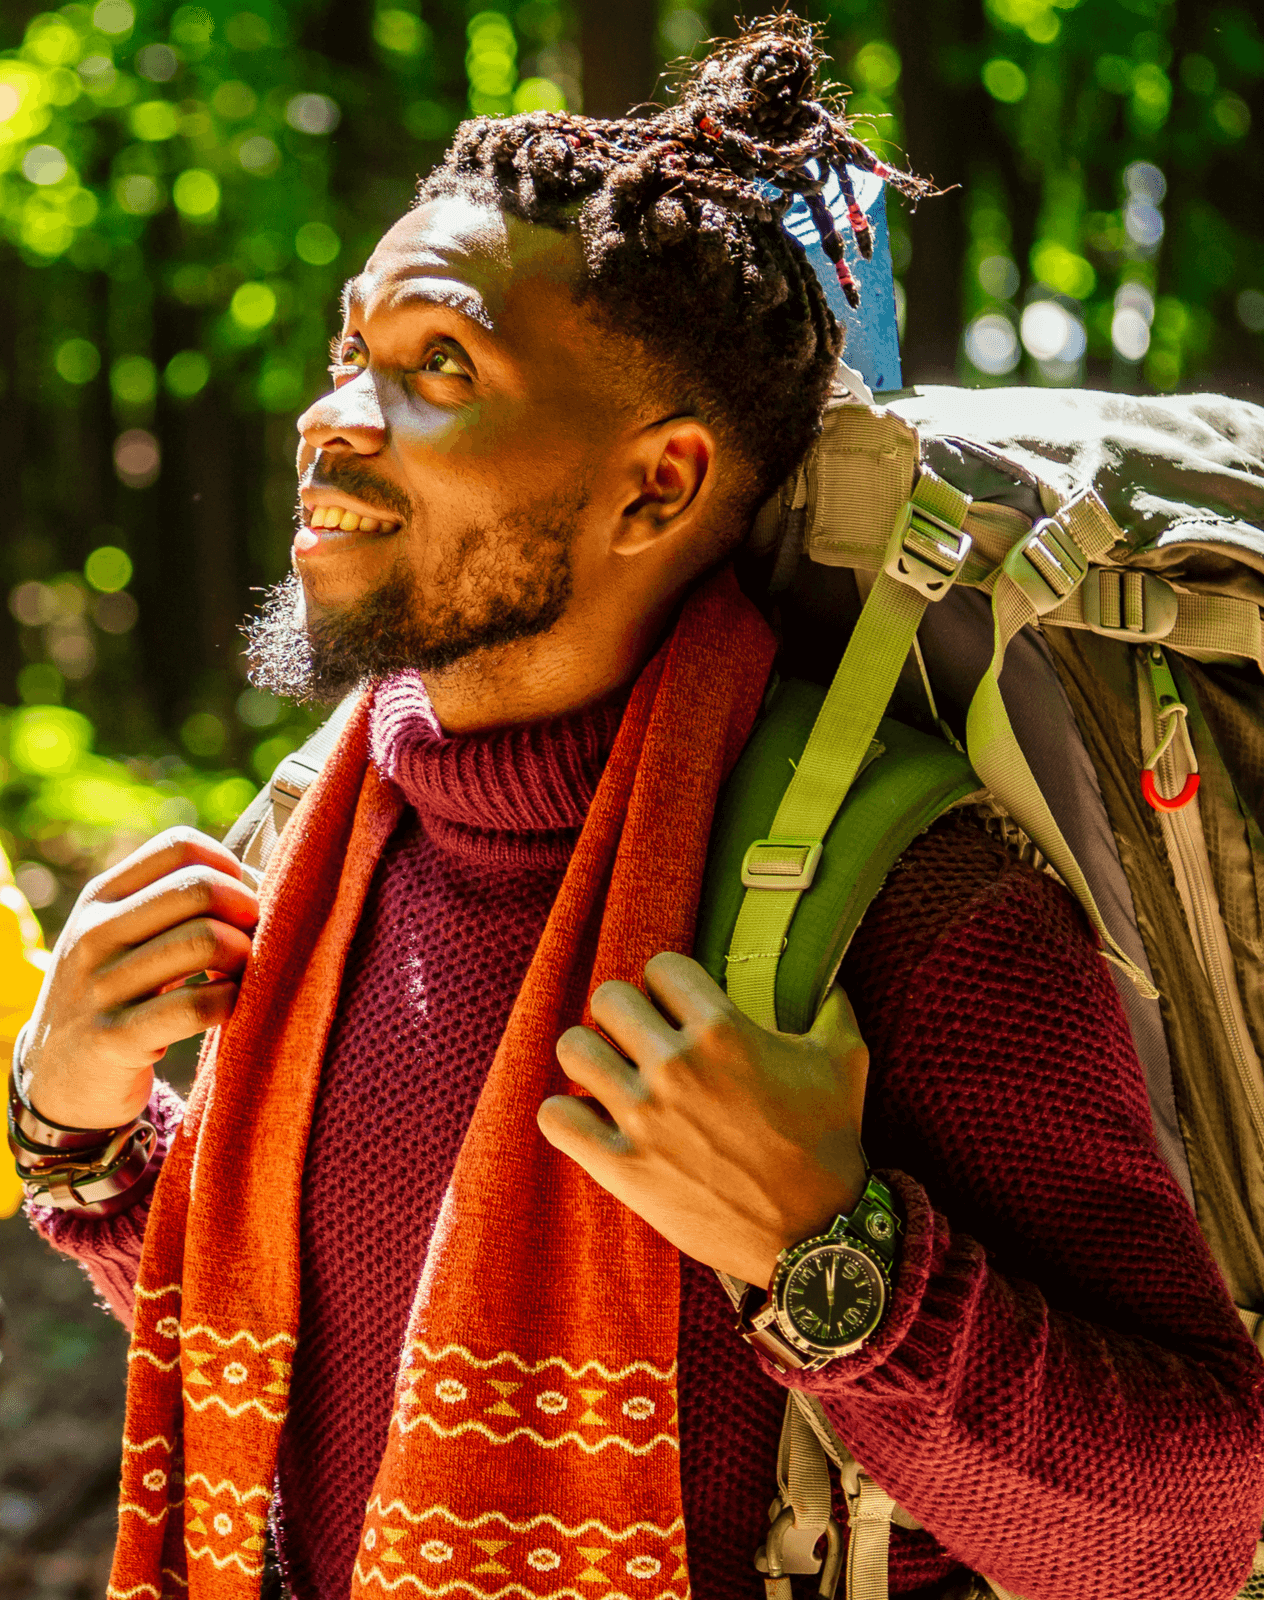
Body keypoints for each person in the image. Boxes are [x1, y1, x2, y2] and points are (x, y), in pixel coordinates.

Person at [12, 18, 1264, 1600]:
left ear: (659, 485)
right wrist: (85, 1145)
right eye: (352, 356)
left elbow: (1184, 1538)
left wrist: (834, 1261)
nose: (332, 416)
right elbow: (311, 1384)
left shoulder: (908, 906)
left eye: (436, 367)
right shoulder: (319, 845)